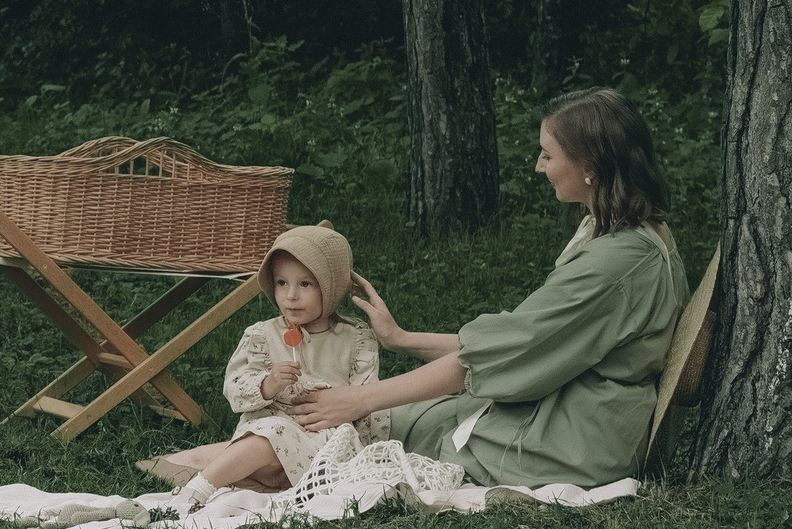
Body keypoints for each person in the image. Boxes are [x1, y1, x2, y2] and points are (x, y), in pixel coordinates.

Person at [291, 87, 689, 489]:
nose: (538, 167)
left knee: (360, 435)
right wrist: (400, 339)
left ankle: (236, 470)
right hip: (580, 410)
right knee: (383, 422)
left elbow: (500, 353)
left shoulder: (614, 265)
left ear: (591, 165)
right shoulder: (636, 236)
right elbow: (518, 343)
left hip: (573, 440)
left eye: (548, 155)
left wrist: (361, 398)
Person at [135, 223, 384, 503]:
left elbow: (368, 399)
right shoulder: (263, 337)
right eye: (281, 283)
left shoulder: (355, 338)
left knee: (274, 448)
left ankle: (211, 475)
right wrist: (269, 384)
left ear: (332, 286)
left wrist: (367, 451)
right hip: (268, 437)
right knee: (270, 435)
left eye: (305, 284)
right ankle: (197, 492)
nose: (291, 296)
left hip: (326, 440)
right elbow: (236, 389)